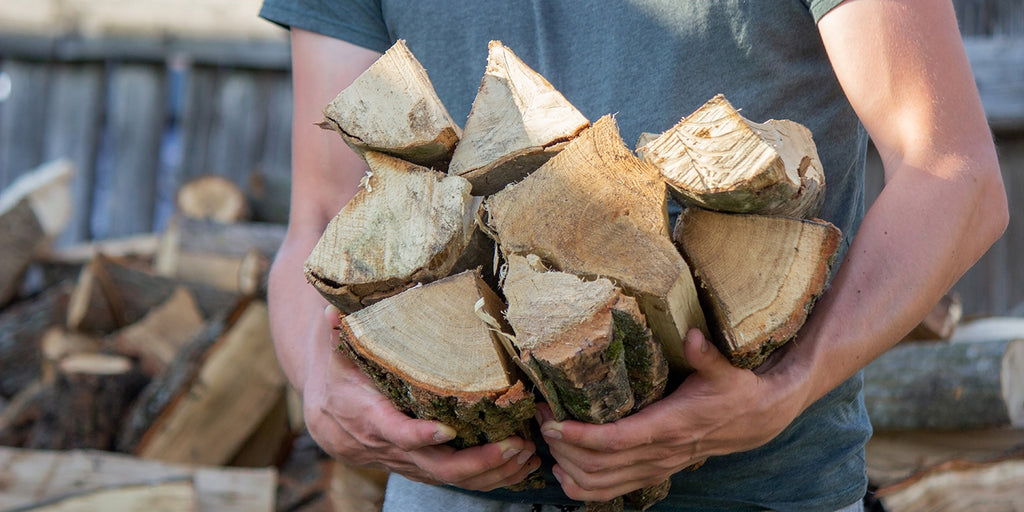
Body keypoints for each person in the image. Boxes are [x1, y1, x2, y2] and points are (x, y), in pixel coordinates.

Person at [258, 1, 1008, 510]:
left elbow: (954, 173)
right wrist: (318, 388)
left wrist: (790, 386)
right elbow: (325, 214)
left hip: (752, 492)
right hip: (450, 491)